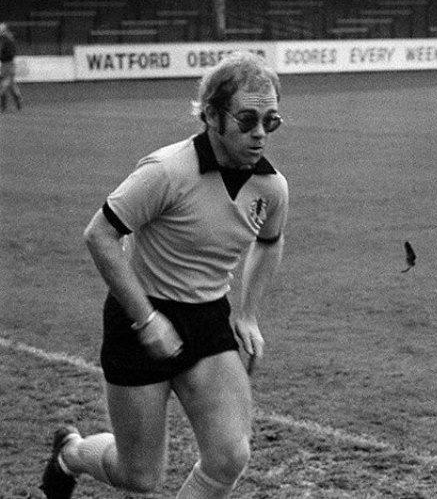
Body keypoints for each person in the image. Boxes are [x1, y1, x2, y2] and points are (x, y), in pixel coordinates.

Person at [40, 51, 289, 499]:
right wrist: (147, 319)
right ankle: (70, 453)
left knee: (230, 456)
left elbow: (270, 242)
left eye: (270, 122)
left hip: (208, 321)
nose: (259, 135)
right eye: (247, 119)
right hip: (139, 320)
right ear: (212, 115)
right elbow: (99, 235)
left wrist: (248, 314)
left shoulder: (271, 187)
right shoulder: (167, 171)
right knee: (140, 475)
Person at [0, 22, 22, 112]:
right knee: (12, 87)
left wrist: (2, 56)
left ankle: (3, 107)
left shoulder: (8, 40)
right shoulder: (3, 39)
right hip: (4, 65)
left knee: (3, 87)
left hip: (9, 65)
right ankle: (18, 101)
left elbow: (11, 54)